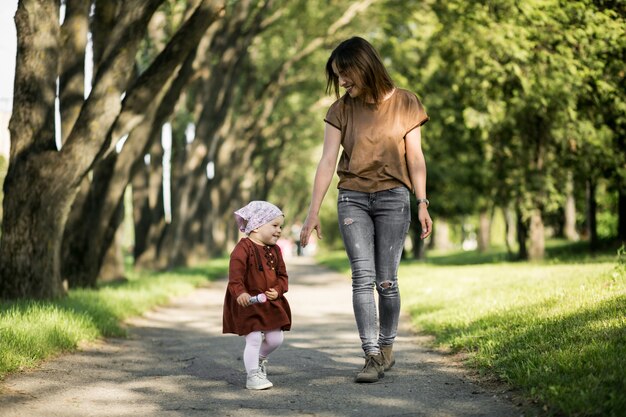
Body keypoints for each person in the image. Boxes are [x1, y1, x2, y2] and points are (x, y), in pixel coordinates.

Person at [300, 37, 433, 383]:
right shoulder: (340, 110)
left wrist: (422, 202)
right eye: (338, 76)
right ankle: (371, 355)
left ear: (364, 65)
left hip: (393, 198)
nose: (342, 82)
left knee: (387, 281)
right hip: (352, 198)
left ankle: (387, 347)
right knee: (363, 277)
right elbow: (328, 161)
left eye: (345, 74)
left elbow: (415, 157)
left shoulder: (405, 102)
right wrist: (312, 212)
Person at [223, 201, 292, 390]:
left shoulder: (276, 250)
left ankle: (260, 360)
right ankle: (252, 376)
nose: (279, 231)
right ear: (256, 226)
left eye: (280, 226)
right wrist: (240, 293)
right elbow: (235, 277)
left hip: (269, 301)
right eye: (274, 225)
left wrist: (278, 290)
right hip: (249, 302)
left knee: (275, 339)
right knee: (253, 338)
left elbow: (282, 276)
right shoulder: (242, 249)